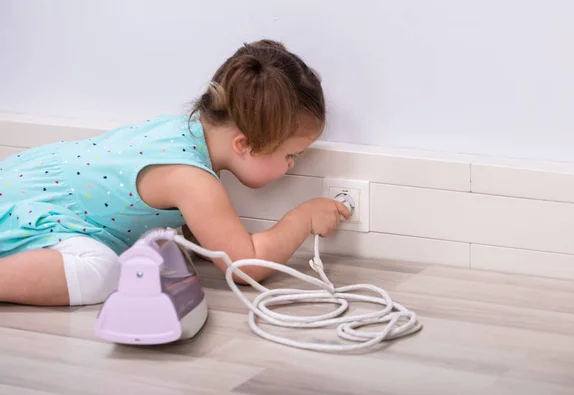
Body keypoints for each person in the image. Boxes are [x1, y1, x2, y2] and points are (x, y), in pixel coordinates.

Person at [0, 39, 350, 307]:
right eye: (290, 155)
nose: (293, 165)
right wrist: (303, 218)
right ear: (245, 145)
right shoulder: (193, 179)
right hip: (34, 211)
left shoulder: (181, 133)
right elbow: (245, 266)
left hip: (26, 184)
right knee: (101, 271)